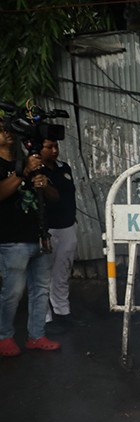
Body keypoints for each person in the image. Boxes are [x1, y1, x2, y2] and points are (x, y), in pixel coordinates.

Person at [0, 122, 62, 356]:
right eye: (0, 130)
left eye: (7, 129)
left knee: (40, 291)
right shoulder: (19, 165)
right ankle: (4, 337)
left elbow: (55, 197)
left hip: (39, 237)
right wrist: (24, 172)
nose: (6, 132)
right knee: (12, 292)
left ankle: (36, 336)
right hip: (11, 240)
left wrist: (44, 185)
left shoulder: (32, 161)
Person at [40, 138, 86, 329]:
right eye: (48, 147)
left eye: (56, 146)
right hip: (46, 229)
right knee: (42, 275)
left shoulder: (63, 167)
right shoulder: (34, 171)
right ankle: (44, 319)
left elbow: (68, 194)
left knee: (62, 272)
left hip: (66, 226)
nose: (54, 150)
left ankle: (62, 311)